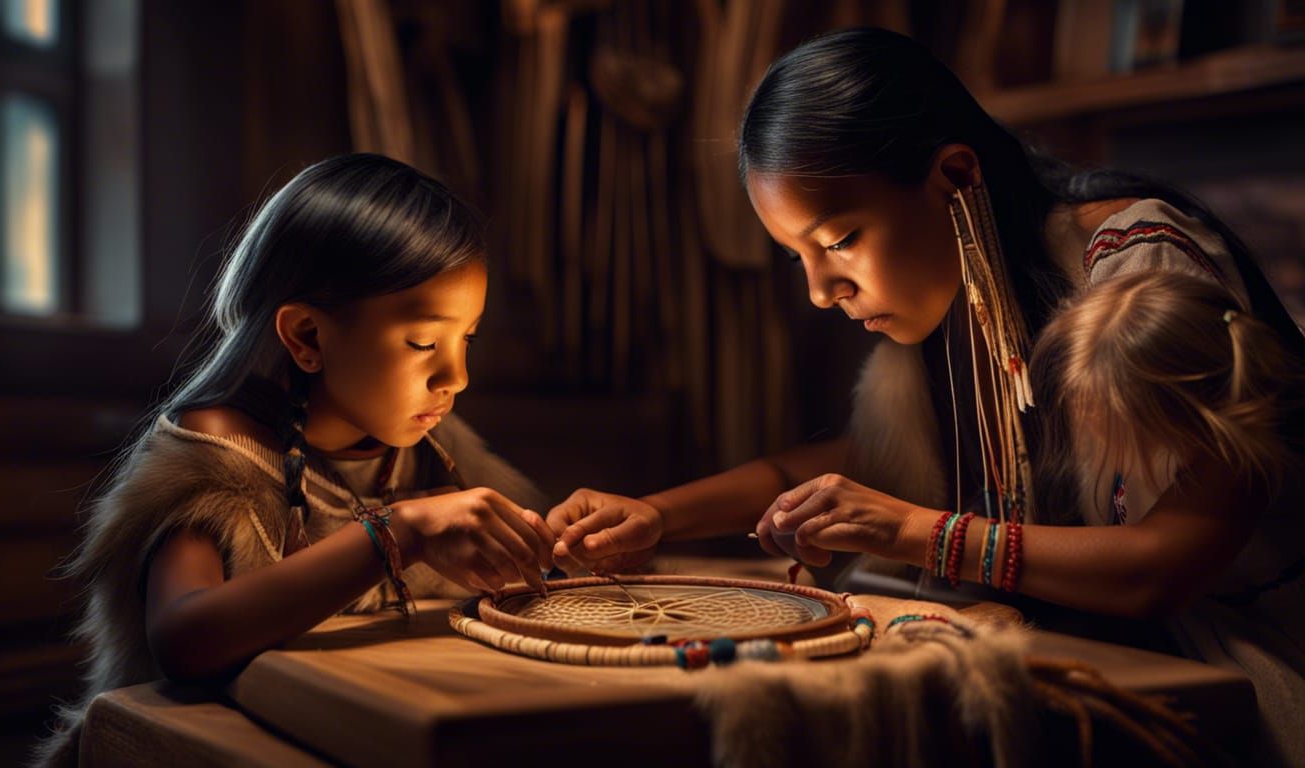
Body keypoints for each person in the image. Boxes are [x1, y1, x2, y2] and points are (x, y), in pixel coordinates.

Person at [547, 28, 1305, 764]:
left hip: (1234, 656)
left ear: (956, 177)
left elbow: (1167, 565)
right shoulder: (959, 298)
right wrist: (657, 514)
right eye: (797, 257)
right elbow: (861, 465)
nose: (820, 291)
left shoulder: (1135, 266)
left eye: (839, 241)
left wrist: (915, 531)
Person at [36, 154, 555, 766]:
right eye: (423, 343)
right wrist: (398, 532)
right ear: (306, 336)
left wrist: (556, 538)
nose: (456, 377)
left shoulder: (430, 447)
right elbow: (184, 638)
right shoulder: (217, 460)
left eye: (465, 338)